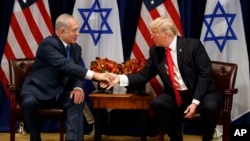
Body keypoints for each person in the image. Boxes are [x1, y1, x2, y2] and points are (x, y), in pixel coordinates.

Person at [103, 17, 223, 141]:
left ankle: (207, 138)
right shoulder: (156, 51)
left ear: (166, 34)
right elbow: (144, 75)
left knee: (210, 107)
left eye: (154, 33)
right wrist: (118, 78)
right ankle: (174, 137)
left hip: (203, 93)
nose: (151, 37)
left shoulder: (193, 45)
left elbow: (205, 75)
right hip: (177, 95)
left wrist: (195, 102)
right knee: (158, 103)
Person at [20, 13, 113, 141]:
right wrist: (96, 76)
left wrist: (78, 88)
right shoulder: (47, 45)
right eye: (74, 30)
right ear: (62, 32)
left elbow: (79, 69)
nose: (78, 33)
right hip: (38, 90)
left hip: (62, 92)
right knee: (29, 103)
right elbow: (65, 65)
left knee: (77, 99)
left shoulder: (76, 49)